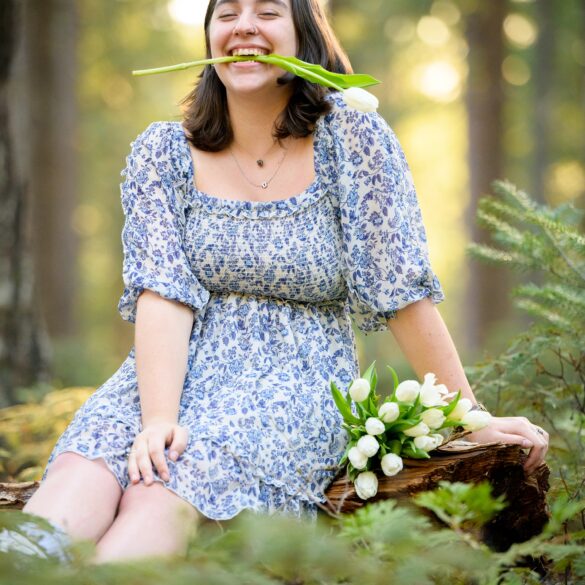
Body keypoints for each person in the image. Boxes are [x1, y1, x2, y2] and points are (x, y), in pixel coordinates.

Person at [11, 0, 548, 565]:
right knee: (82, 473)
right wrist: (158, 419)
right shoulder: (162, 153)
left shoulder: (352, 136)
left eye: (267, 10)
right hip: (166, 375)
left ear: (304, 33)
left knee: (160, 493)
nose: (244, 26)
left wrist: (469, 417)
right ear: (209, 35)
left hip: (293, 380)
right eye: (227, 12)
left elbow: (399, 289)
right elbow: (163, 294)